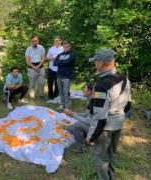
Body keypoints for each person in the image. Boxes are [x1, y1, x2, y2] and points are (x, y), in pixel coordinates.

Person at [86, 49, 131, 180]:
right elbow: (128, 105)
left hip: (104, 128)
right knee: (111, 155)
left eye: (95, 61)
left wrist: (92, 136)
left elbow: (100, 116)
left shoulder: (102, 85)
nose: (94, 64)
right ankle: (111, 176)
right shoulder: (124, 79)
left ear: (100, 63)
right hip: (118, 124)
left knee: (101, 158)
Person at [64, 80, 95, 153]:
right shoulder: (89, 100)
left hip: (95, 129)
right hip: (91, 125)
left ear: (90, 91)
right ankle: (84, 137)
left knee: (77, 125)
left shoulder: (95, 102)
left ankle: (82, 149)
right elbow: (86, 114)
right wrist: (73, 113)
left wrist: (73, 115)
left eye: (85, 88)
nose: (83, 90)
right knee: (69, 128)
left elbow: (89, 121)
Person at [53, 40, 76, 110]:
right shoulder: (60, 55)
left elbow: (68, 61)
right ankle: (62, 105)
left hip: (67, 76)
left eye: (67, 46)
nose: (66, 48)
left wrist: (60, 62)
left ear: (70, 47)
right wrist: (63, 62)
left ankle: (67, 106)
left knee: (66, 92)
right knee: (61, 91)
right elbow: (54, 63)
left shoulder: (72, 54)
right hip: (59, 76)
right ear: (63, 47)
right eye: (65, 47)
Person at [25, 35, 46, 99]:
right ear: (31, 42)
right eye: (33, 41)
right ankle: (32, 96)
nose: (35, 42)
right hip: (31, 68)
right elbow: (27, 61)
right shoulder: (28, 49)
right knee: (32, 84)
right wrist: (35, 67)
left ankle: (41, 95)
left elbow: (43, 58)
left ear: (38, 40)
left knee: (42, 83)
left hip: (41, 68)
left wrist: (38, 66)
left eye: (36, 40)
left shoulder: (41, 47)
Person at [45, 36, 64, 100]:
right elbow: (46, 58)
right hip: (51, 68)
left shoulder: (63, 49)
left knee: (57, 83)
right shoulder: (51, 49)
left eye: (57, 40)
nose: (56, 42)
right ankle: (50, 95)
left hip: (59, 69)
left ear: (60, 41)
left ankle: (56, 96)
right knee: (50, 82)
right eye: (55, 41)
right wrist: (52, 58)